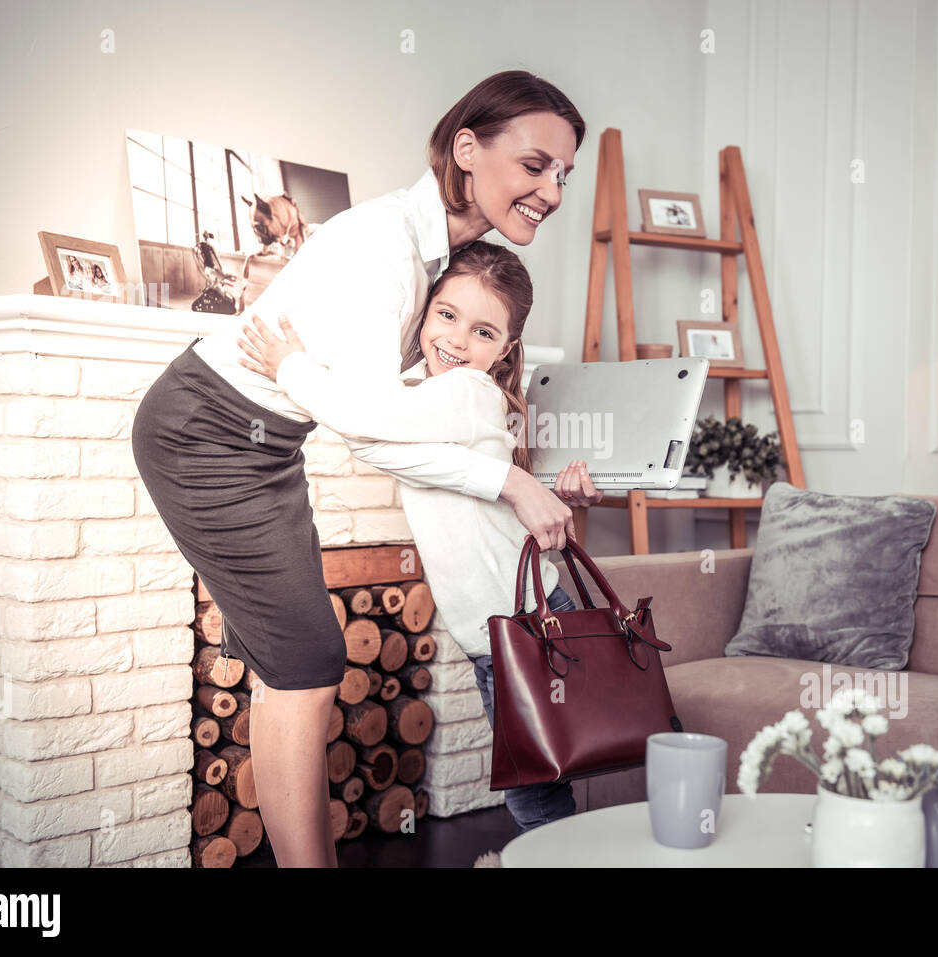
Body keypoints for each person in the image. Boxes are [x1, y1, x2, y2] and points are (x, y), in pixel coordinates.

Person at [130, 70, 584, 867]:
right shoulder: (388, 246)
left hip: (266, 444)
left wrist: (536, 472)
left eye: (563, 176)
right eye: (537, 163)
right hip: (207, 435)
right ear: (467, 149)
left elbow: (420, 413)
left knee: (292, 665)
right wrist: (512, 480)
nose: (551, 189)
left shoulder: (442, 254)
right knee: (308, 663)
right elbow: (373, 430)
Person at [237, 240, 602, 834]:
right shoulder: (431, 394)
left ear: (506, 349)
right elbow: (414, 455)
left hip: (520, 625)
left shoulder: (464, 392)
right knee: (543, 775)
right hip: (508, 623)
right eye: (447, 316)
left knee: (535, 787)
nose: (457, 341)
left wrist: (289, 365)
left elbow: (359, 423)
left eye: (483, 334)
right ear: (425, 310)